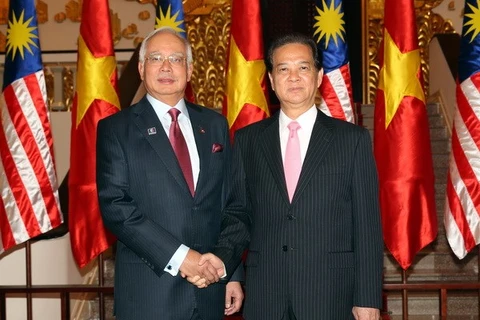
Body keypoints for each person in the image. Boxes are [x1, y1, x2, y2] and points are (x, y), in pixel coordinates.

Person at [204, 32, 384, 319]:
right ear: (271, 80)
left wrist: (368, 297)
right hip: (266, 294)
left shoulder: (352, 140)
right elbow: (238, 213)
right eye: (283, 69)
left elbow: (367, 226)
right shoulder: (248, 140)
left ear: (319, 75)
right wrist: (230, 270)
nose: (294, 77)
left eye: (303, 67)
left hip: (331, 294)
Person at [96, 27, 243, 320]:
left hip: (211, 289)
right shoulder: (116, 129)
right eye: (155, 58)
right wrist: (181, 258)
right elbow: (116, 206)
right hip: (150, 295)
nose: (166, 66)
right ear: (141, 68)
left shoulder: (214, 125)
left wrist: (230, 269)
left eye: (176, 59)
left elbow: (232, 204)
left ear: (189, 71)